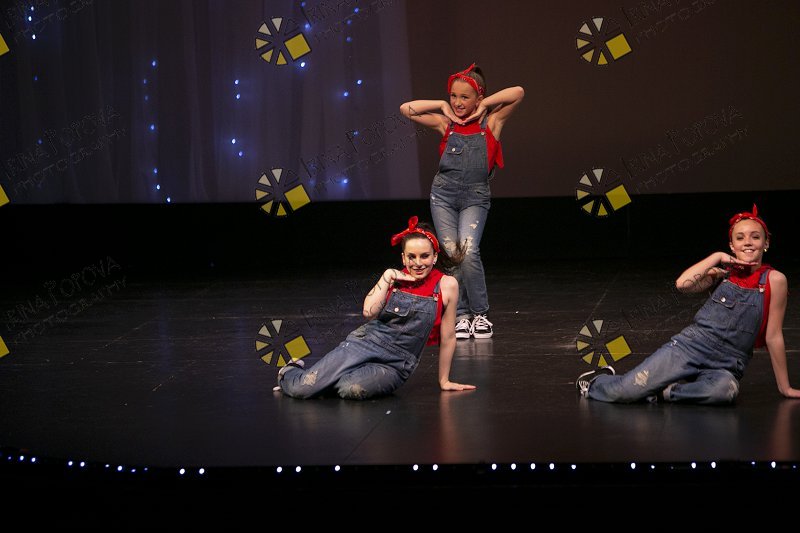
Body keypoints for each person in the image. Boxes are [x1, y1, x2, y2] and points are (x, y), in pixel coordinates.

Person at [576, 204, 800, 404]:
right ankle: (596, 382)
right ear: (732, 245)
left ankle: (665, 393)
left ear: (766, 242)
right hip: (690, 347)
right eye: (740, 238)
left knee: (724, 392)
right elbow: (682, 284)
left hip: (728, 361)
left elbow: (773, 336)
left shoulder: (774, 280)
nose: (748, 242)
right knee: (625, 392)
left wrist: (785, 387)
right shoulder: (721, 274)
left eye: (755, 237)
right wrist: (717, 256)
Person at [275, 216, 476, 400]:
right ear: (403, 258)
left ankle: (328, 380)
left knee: (351, 389)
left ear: (434, 257)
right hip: (365, 345)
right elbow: (368, 313)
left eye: (424, 256)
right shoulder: (393, 279)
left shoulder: (447, 285)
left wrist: (444, 381)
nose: (418, 263)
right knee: (302, 389)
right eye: (411, 257)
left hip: (396, 364)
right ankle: (290, 371)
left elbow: (448, 337)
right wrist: (387, 276)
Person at [399, 63, 524, 340]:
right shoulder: (447, 123)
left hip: (475, 197)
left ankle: (480, 314)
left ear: (479, 98)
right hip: (443, 195)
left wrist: (484, 106)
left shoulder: (491, 122)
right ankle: (461, 314)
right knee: (452, 253)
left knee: (468, 252)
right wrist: (440, 105)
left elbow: (518, 92)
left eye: (464, 97)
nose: (457, 102)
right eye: (453, 96)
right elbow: (406, 109)